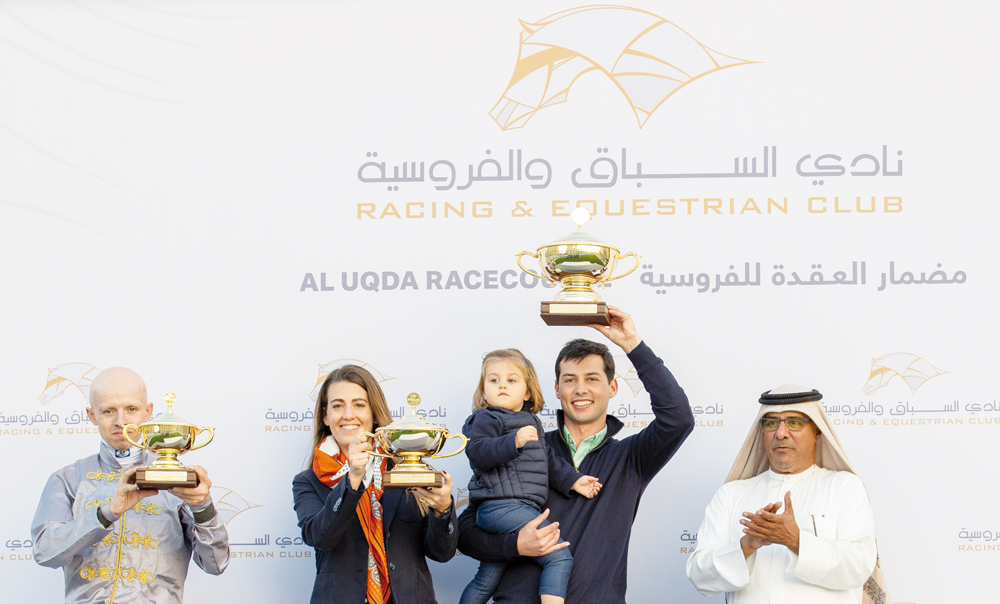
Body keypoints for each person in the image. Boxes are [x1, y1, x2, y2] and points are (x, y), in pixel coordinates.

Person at [458, 306, 695, 603]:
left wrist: (632, 344)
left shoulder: (632, 458)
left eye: (592, 379)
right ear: (557, 388)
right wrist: (516, 544)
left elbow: (679, 418)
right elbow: (466, 532)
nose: (580, 389)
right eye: (570, 380)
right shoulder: (520, 446)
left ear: (613, 387)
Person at [31, 367, 229, 604]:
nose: (120, 422)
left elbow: (216, 564)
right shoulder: (67, 479)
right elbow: (44, 553)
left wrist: (203, 508)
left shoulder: (177, 482)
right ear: (91, 415)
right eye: (108, 411)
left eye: (131, 409)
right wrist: (106, 514)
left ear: (148, 412)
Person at [686, 384, 891, 604]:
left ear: (817, 432)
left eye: (794, 422)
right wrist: (747, 545)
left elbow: (859, 566)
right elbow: (700, 577)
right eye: (771, 423)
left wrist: (796, 540)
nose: (781, 433)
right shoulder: (730, 494)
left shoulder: (844, 487)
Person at [292, 365, 458, 604]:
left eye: (359, 404)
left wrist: (442, 510)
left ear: (375, 413)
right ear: (325, 416)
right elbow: (320, 538)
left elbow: (442, 553)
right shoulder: (307, 482)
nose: (348, 415)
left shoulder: (407, 470)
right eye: (337, 405)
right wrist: (352, 480)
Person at [459, 349, 601, 604]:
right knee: (558, 557)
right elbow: (478, 452)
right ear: (483, 391)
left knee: (486, 579)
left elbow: (549, 462)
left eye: (512, 380)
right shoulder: (484, 418)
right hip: (501, 507)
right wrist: (512, 442)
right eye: (493, 380)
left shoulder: (531, 423)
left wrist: (575, 481)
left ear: (527, 392)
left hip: (517, 508)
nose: (502, 384)